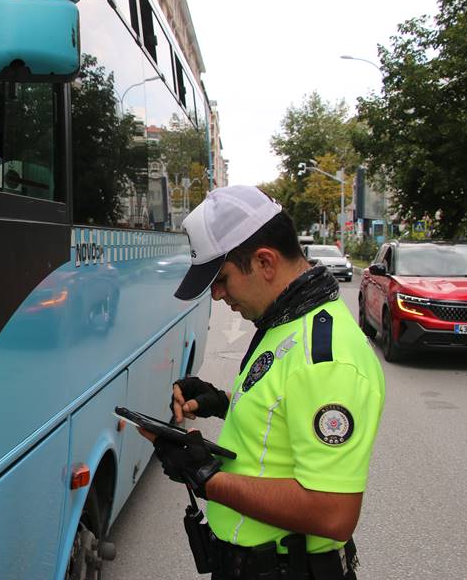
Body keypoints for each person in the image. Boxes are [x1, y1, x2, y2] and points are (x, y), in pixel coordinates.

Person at [139, 185, 384, 580]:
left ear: (265, 262)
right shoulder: (286, 321)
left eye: (221, 279)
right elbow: (286, 409)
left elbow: (333, 512)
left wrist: (205, 477)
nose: (217, 295)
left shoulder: (325, 358)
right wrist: (223, 402)